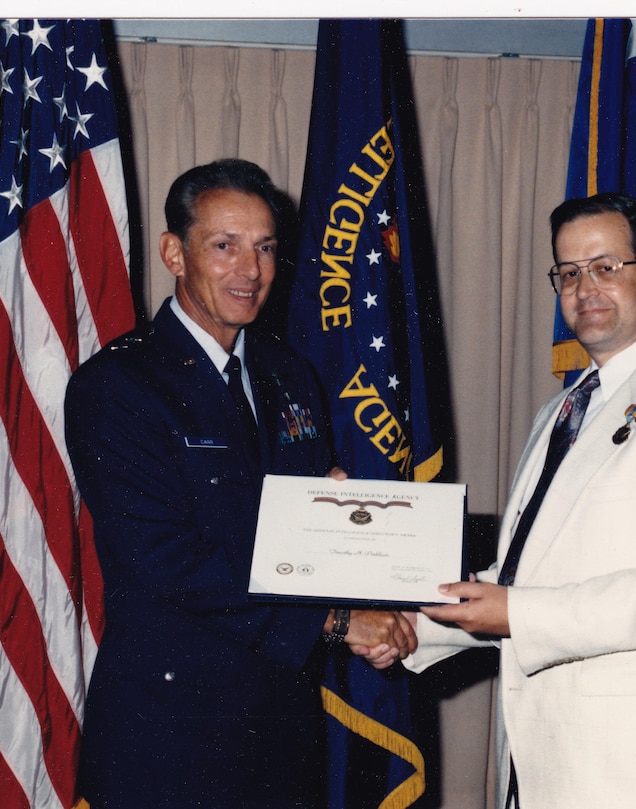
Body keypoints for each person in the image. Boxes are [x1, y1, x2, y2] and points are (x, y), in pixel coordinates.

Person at [65, 159, 416, 809]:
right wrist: (341, 622)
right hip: (169, 737)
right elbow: (169, 561)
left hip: (280, 726)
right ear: (174, 251)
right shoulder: (117, 386)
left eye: (264, 248)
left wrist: (349, 533)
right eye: (224, 246)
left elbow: (301, 540)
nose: (249, 271)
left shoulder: (290, 375)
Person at [407, 192, 636, 807]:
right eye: (568, 273)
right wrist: (409, 628)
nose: (584, 288)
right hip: (542, 765)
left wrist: (515, 613)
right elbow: (524, 579)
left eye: (605, 267)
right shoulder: (562, 410)